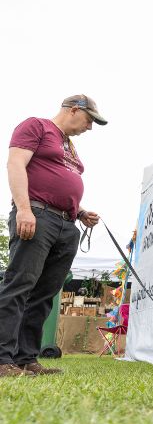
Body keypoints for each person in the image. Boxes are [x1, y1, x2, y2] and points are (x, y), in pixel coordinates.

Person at [0, 95, 105, 377]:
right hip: (37, 215)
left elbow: (57, 183)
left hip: (65, 223)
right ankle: (2, 359)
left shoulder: (69, 146)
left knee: (44, 295)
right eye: (89, 120)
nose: (90, 128)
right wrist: (24, 209)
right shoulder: (36, 127)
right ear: (74, 110)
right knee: (19, 285)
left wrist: (80, 211)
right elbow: (15, 165)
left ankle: (26, 358)